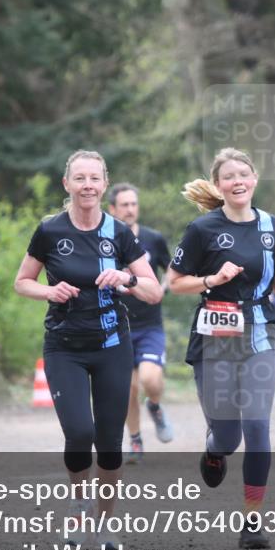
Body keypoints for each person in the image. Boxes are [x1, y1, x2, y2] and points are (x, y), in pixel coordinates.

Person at [13, 151, 161, 550]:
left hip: (112, 346)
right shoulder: (49, 231)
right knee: (80, 433)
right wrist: (49, 289)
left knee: (110, 441)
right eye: (79, 178)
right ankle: (78, 515)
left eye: (94, 178)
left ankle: (106, 523)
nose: (87, 186)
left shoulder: (119, 233)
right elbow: (22, 281)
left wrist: (126, 278)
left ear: (104, 183)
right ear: (67, 184)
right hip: (64, 347)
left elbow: (153, 291)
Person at [168, 147, 275, 550]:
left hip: (262, 333)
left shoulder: (270, 226)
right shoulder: (202, 230)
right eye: (229, 176)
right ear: (218, 185)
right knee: (227, 435)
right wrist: (212, 278)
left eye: (243, 173)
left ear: (255, 179)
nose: (237, 181)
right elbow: (175, 282)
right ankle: (214, 450)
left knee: (258, 425)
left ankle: (252, 522)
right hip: (215, 336)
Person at [106, 183, 174, 463]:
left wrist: (163, 287)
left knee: (149, 380)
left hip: (149, 326)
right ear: (112, 209)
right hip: (117, 326)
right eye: (124, 205)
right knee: (128, 389)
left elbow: (173, 268)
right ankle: (135, 440)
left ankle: (155, 406)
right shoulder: (105, 239)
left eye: (134, 204)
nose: (130, 209)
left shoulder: (152, 238)